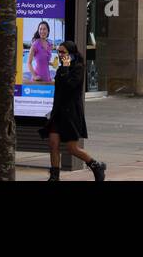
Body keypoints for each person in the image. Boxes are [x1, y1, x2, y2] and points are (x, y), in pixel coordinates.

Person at [43, 41, 106, 181]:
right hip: (58, 113)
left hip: (71, 113)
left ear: (71, 53)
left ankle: (96, 165)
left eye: (63, 52)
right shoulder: (60, 70)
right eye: (58, 52)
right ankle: (54, 176)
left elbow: (69, 86)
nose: (60, 55)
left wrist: (65, 67)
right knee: (53, 144)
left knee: (72, 148)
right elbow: (58, 92)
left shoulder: (78, 68)